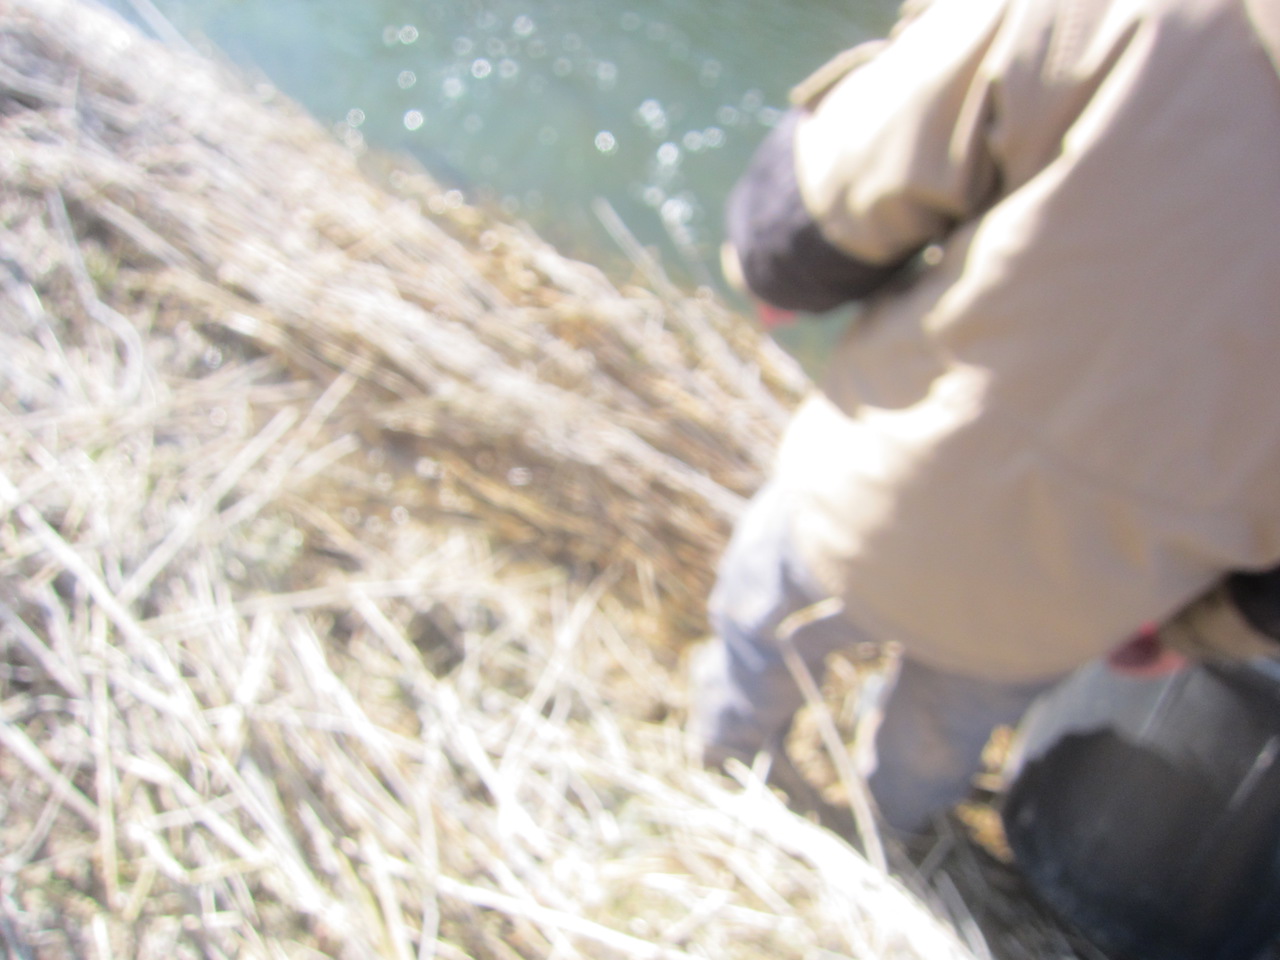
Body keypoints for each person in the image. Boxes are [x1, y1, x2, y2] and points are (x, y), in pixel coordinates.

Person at [693, 0, 1280, 837]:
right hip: (1086, 592)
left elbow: (805, 224)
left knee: (760, 638)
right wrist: (1193, 632)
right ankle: (879, 843)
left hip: (874, 493)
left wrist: (775, 266)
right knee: (936, 747)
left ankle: (721, 781)